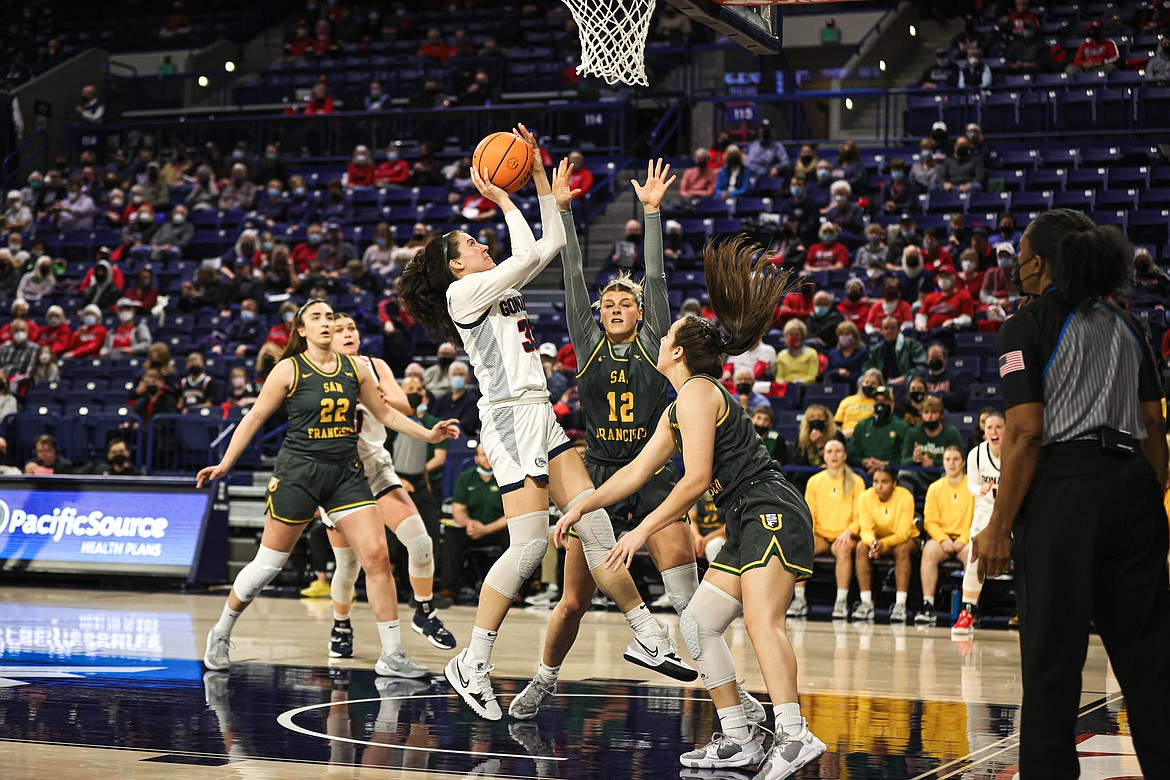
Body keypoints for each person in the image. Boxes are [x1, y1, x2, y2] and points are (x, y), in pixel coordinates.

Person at [398, 130, 693, 722]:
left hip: (540, 415)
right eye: (470, 241)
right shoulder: (464, 293)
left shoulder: (491, 281)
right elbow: (531, 254)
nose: (481, 243)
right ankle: (472, 661)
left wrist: (533, 175)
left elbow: (552, 240)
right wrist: (506, 200)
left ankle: (646, 633)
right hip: (509, 417)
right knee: (531, 546)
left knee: (595, 521)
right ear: (456, 264)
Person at [558, 234, 825, 777]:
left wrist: (640, 531)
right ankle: (737, 737)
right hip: (745, 515)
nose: (659, 338)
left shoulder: (700, 392)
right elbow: (635, 472)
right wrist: (580, 505)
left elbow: (697, 478)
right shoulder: (680, 404)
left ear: (676, 351)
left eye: (668, 335)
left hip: (768, 506)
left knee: (761, 621)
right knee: (699, 624)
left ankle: (795, 736)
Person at [511, 159, 721, 720]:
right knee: (574, 598)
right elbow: (574, 272)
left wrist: (652, 212)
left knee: (687, 595)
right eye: (608, 305)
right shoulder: (587, 335)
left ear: (641, 312)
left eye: (624, 303)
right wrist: (560, 207)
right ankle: (543, 679)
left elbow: (653, 277)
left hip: (652, 473)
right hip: (600, 474)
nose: (614, 308)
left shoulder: (658, 337)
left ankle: (727, 697)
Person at [972, 210, 1170, 777]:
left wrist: (999, 524)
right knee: (1152, 663)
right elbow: (1155, 429)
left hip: (1065, 490)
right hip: (1134, 486)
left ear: (1041, 264)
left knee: (1053, 664)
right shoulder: (1130, 324)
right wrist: (1138, 501)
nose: (1017, 268)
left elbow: (1027, 429)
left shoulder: (1027, 324)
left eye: (1022, 258)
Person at [196, 299, 460, 678]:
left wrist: (428, 434)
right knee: (267, 566)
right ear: (301, 330)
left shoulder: (357, 368)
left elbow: (386, 413)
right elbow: (255, 416)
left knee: (378, 559)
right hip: (299, 473)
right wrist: (225, 463)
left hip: (346, 475)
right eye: (316, 318)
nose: (325, 323)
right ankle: (221, 632)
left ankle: (392, 654)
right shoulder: (288, 369)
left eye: (329, 317)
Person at [313, 314, 457, 658]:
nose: (348, 334)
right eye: (339, 330)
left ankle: (424, 611)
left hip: (376, 467)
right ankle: (341, 624)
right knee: (347, 566)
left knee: (421, 541)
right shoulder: (317, 372)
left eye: (352, 328)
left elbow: (405, 405)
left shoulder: (374, 365)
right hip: (338, 475)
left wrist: (373, 394)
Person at [945, 410, 1004, 635]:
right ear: (984, 431)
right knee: (974, 556)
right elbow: (971, 486)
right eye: (990, 427)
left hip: (1012, 514)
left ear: (1007, 430)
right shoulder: (976, 454)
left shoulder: (1016, 453)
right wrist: (981, 489)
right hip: (986, 511)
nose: (994, 431)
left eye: (999, 427)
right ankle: (967, 612)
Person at [790, 439, 862, 619]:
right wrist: (809, 533)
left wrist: (849, 532)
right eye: (830, 451)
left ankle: (841, 602)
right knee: (802, 546)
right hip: (821, 535)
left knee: (844, 550)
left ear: (845, 455)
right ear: (824, 455)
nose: (834, 455)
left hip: (844, 536)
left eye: (838, 451)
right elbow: (809, 513)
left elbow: (860, 514)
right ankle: (799, 600)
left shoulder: (856, 481)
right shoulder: (815, 481)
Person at [914, 445, 973, 626]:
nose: (952, 463)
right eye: (948, 459)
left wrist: (962, 540)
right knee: (929, 552)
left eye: (956, 459)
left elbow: (978, 519)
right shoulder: (935, 488)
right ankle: (928, 604)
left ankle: (969, 607)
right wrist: (944, 539)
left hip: (967, 538)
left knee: (973, 555)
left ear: (963, 463)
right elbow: (930, 521)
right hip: (943, 538)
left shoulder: (973, 486)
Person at [439, 444, 507, 599]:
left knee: (515, 536)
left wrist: (487, 529)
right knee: (451, 536)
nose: (487, 458)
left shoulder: (505, 478)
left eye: (490, 453)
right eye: (483, 454)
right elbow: (458, 510)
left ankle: (515, 591)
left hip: (496, 529)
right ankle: (448, 589)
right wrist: (469, 523)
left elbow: (511, 514)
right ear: (476, 458)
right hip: (472, 529)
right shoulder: (466, 478)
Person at [853, 465, 917, 622]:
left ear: (894, 483)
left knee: (902, 550)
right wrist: (873, 542)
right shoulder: (865, 497)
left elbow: (903, 534)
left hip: (903, 540)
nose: (878, 486)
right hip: (878, 541)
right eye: (875, 481)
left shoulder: (906, 496)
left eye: (884, 482)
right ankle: (866, 603)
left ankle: (900, 604)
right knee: (861, 547)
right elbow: (865, 530)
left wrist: (883, 544)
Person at [847, 386, 908, 475]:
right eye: (877, 400)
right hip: (865, 472)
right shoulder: (862, 426)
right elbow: (852, 455)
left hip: (893, 472)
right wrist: (864, 462)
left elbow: (905, 458)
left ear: (892, 404)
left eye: (884, 401)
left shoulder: (902, 427)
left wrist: (886, 464)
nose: (880, 404)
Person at [428, 360, 480, 438]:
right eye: (454, 374)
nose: (457, 377)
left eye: (461, 374)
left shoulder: (473, 400)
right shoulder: (442, 399)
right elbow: (433, 419)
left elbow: (468, 424)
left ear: (468, 378)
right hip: (441, 436)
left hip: (463, 438)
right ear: (449, 378)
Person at [835, 368, 883, 438]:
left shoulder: (881, 403)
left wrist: (855, 432)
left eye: (873, 383)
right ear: (861, 383)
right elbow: (837, 424)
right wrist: (840, 436)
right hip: (846, 437)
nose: (869, 385)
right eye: (867, 382)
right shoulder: (847, 401)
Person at [774, 319, 819, 383]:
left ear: (802, 336)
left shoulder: (812, 353)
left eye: (797, 334)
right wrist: (782, 383)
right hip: (787, 388)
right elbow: (779, 377)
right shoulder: (781, 355)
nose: (794, 337)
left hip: (805, 389)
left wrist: (798, 382)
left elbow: (812, 376)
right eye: (791, 334)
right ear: (786, 336)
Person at [825, 320, 868, 385]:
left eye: (847, 334)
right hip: (834, 387)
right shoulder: (833, 353)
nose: (844, 337)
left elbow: (863, 374)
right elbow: (826, 373)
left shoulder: (862, 353)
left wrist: (849, 374)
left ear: (854, 336)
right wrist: (837, 371)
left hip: (852, 387)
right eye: (841, 334)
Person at [77, 436, 142, 476]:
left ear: (128, 453)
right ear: (109, 455)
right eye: (114, 452)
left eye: (121, 451)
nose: (118, 454)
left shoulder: (136, 474)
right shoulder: (100, 471)